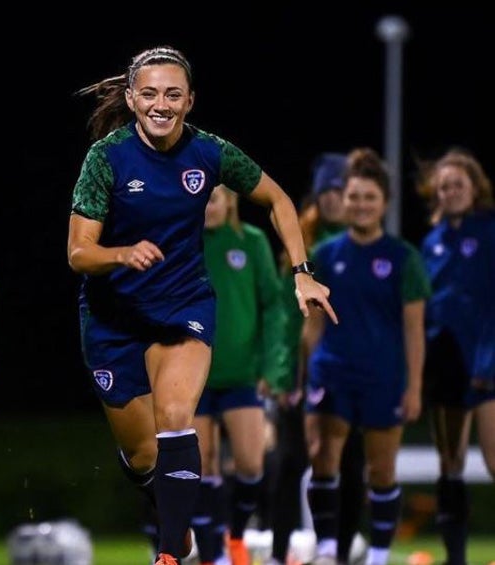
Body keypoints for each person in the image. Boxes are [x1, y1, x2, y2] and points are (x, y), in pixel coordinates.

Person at [67, 45, 336, 565]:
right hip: (111, 319)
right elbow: (78, 252)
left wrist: (302, 273)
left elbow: (278, 200)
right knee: (143, 454)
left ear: (190, 100)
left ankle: (170, 555)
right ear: (131, 98)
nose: (160, 104)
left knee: (174, 418)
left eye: (172, 94)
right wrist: (121, 253)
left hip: (182, 305)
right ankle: (176, 524)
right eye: (148, 94)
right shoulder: (107, 157)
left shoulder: (210, 153)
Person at [301, 147, 430, 565]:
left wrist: (413, 387)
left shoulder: (403, 258)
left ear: (385, 203)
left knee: (381, 471)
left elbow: (414, 330)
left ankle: (376, 555)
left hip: (383, 377)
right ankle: (324, 550)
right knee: (322, 458)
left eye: (369, 197)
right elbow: (312, 328)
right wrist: (308, 375)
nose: (360, 204)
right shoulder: (326, 254)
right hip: (333, 373)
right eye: (354, 196)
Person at [268, 153, 367, 565]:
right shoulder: (301, 246)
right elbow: (282, 315)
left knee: (352, 461)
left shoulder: (366, 244)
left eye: (339, 192)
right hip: (304, 372)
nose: (332, 200)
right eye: (327, 191)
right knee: (292, 462)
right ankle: (278, 553)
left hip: (356, 372)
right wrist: (282, 373)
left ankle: (341, 552)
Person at [186, 185, 288, 565]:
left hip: (242, 375)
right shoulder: (184, 242)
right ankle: (213, 555)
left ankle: (236, 535)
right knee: (202, 465)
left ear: (229, 200)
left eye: (213, 199)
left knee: (250, 464)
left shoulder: (253, 242)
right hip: (194, 378)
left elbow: (273, 306)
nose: (206, 207)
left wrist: (271, 366)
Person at [416, 148, 495, 565]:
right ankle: (457, 558)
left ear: (474, 187)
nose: (450, 191)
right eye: (444, 186)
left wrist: (487, 360)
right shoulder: (431, 242)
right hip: (444, 364)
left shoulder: (490, 230)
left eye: (458, 184)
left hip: (488, 363)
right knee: (451, 464)